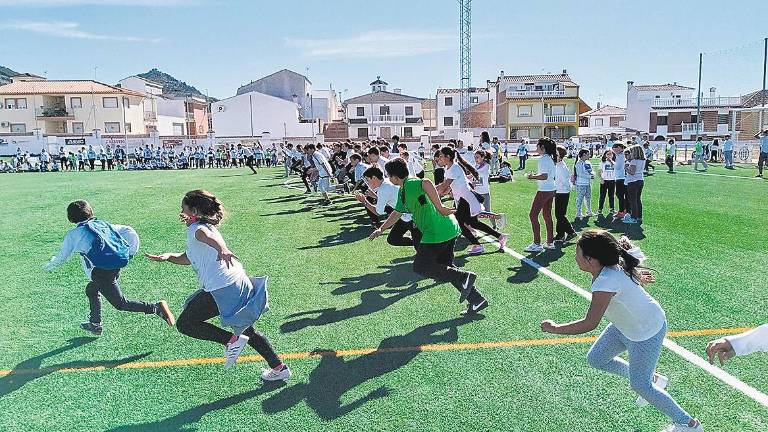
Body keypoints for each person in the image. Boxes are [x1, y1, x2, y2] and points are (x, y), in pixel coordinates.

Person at [541, 231, 703, 432]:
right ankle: (653, 378)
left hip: (646, 331)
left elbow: (590, 323)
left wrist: (555, 328)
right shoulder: (608, 269)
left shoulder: (605, 281)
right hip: (624, 326)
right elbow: (624, 282)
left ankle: (689, 424)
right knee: (597, 358)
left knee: (640, 386)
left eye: (578, 253)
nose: (575, 257)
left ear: (590, 259)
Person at [145, 190, 291, 380]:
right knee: (246, 329)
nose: (181, 213)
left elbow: (206, 237)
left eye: (183, 209)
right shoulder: (202, 226)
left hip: (223, 288)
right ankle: (280, 369)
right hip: (235, 283)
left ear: (195, 211)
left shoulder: (198, 229)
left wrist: (222, 249)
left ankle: (231, 341)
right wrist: (168, 257)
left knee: (186, 324)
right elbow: (188, 257)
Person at [369, 158, 487, 316]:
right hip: (449, 228)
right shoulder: (404, 191)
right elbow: (397, 213)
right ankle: (476, 299)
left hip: (436, 232)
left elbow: (426, 182)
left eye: (389, 176)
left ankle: (464, 277)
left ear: (395, 177)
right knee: (446, 268)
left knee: (421, 267)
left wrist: (440, 207)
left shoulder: (410, 184)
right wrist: (381, 229)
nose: (389, 179)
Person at [43, 200, 175, 335]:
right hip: (114, 266)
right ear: (90, 212)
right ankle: (95, 324)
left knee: (120, 304)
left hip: (100, 273)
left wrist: (47, 267)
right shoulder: (102, 225)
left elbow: (62, 257)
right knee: (91, 289)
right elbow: (129, 231)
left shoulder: (74, 235)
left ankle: (155, 307)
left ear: (71, 218)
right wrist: (130, 254)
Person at [436, 147, 509, 254]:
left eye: (441, 156)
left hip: (466, 199)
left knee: (459, 222)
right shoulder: (448, 169)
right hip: (463, 200)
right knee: (474, 223)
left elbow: (444, 186)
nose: (439, 158)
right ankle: (500, 236)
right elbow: (446, 188)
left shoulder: (454, 168)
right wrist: (440, 191)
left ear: (448, 157)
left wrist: (429, 190)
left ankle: (478, 245)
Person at [355, 166, 421, 249]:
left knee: (421, 252)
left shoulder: (383, 190)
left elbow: (378, 212)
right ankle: (418, 243)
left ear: (374, 178)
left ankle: (419, 244)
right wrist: (376, 196)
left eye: (368, 180)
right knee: (393, 239)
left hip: (412, 217)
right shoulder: (386, 182)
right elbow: (391, 198)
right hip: (403, 216)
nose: (367, 184)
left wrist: (364, 201)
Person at [524, 137, 558, 253]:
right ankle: (550, 242)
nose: (536, 147)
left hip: (544, 190)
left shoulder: (543, 159)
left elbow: (544, 176)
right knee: (547, 215)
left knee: (533, 215)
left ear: (542, 148)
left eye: (537, 145)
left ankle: (537, 243)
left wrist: (532, 177)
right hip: (551, 189)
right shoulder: (550, 158)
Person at [553, 146, 576, 243]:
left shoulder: (561, 167)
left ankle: (570, 231)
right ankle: (560, 234)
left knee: (560, 215)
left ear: (559, 155)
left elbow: (565, 182)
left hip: (562, 192)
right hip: (560, 191)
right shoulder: (558, 165)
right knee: (559, 214)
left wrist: (566, 189)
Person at [624, 145, 645, 224]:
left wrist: (625, 167)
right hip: (640, 180)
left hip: (633, 181)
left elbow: (632, 172)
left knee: (633, 201)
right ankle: (639, 217)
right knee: (638, 200)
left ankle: (633, 218)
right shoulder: (642, 160)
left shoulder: (634, 161)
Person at [574, 149, 594, 219]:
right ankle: (578, 213)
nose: (589, 155)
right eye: (588, 154)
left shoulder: (588, 162)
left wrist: (592, 174)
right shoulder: (578, 163)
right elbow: (580, 174)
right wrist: (590, 176)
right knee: (580, 199)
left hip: (588, 183)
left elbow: (591, 170)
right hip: (581, 184)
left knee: (588, 198)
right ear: (584, 155)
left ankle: (588, 211)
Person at [612, 142, 628, 220]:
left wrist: (611, 162)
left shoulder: (621, 155)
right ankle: (624, 210)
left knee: (620, 195)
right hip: (622, 177)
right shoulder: (623, 154)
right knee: (622, 195)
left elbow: (617, 167)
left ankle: (622, 211)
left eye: (615, 150)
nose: (614, 152)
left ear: (619, 147)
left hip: (620, 177)